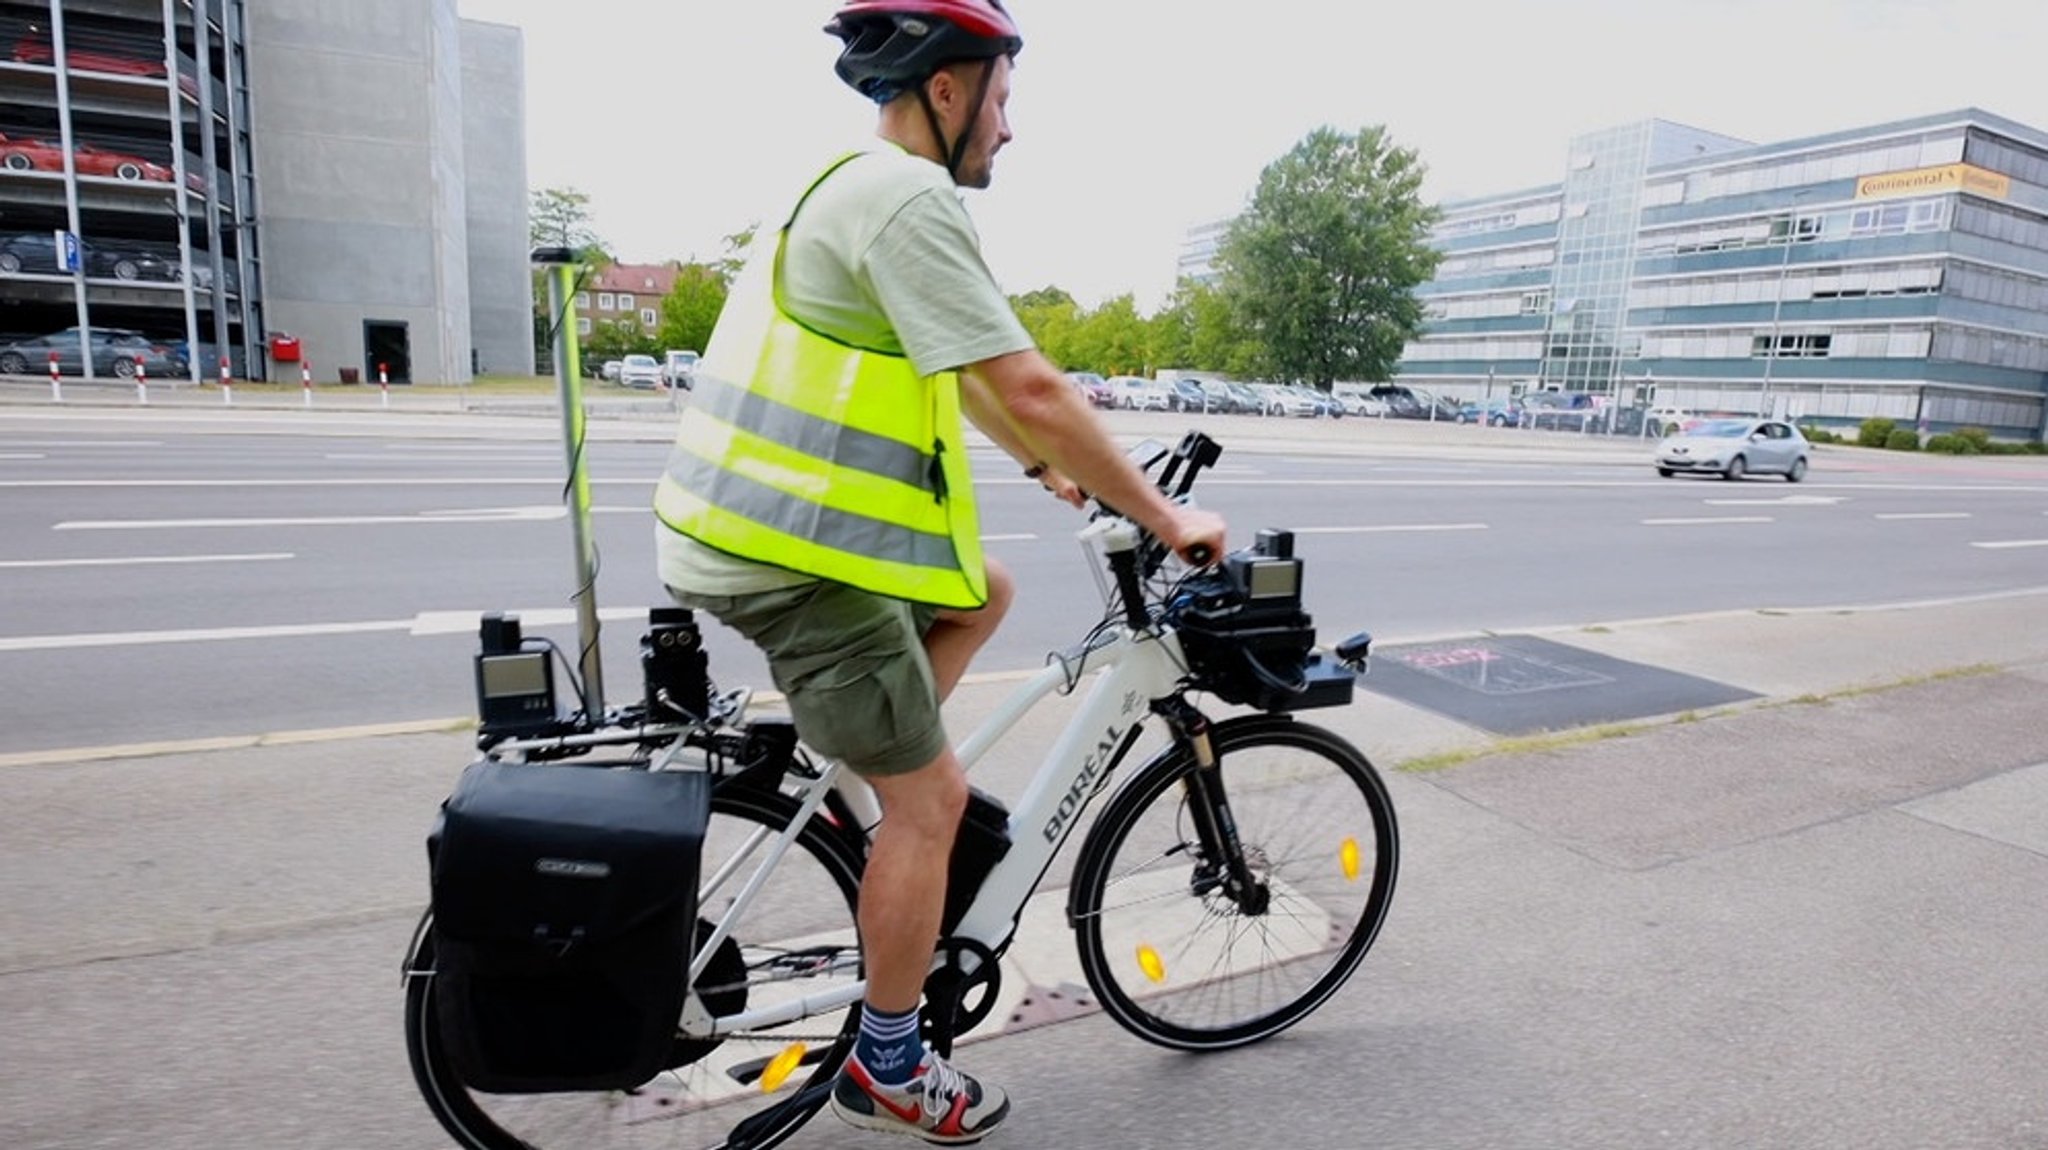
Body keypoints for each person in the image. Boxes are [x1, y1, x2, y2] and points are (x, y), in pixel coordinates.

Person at [652, 0, 1226, 1141]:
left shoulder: (841, 184)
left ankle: (865, 777)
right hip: (786, 558)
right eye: (1003, 99)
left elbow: (963, 373)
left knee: (983, 591)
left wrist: (1042, 470)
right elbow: (1030, 384)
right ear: (946, 91)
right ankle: (888, 1062)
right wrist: (1163, 516)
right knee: (935, 803)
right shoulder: (910, 198)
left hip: (743, 531)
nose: (1008, 129)